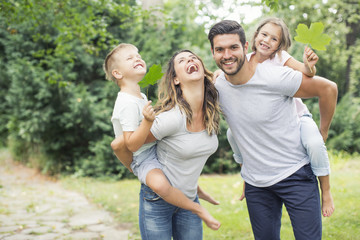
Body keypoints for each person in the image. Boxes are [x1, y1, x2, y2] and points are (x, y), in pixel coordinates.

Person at [208, 20, 338, 240]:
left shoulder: (276, 75)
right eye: (220, 49)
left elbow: (328, 88)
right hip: (257, 186)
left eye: (233, 47)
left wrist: (323, 130)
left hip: (295, 175)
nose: (227, 55)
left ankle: (327, 191)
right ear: (212, 53)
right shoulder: (216, 86)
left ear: (245, 46)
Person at [103, 44, 221, 238]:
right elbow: (128, 144)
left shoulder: (139, 96)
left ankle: (194, 202)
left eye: (138, 55)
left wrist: (218, 75)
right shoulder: (128, 103)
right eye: (129, 58)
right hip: (152, 184)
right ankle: (198, 209)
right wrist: (134, 164)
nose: (137, 59)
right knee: (159, 184)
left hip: (184, 194)